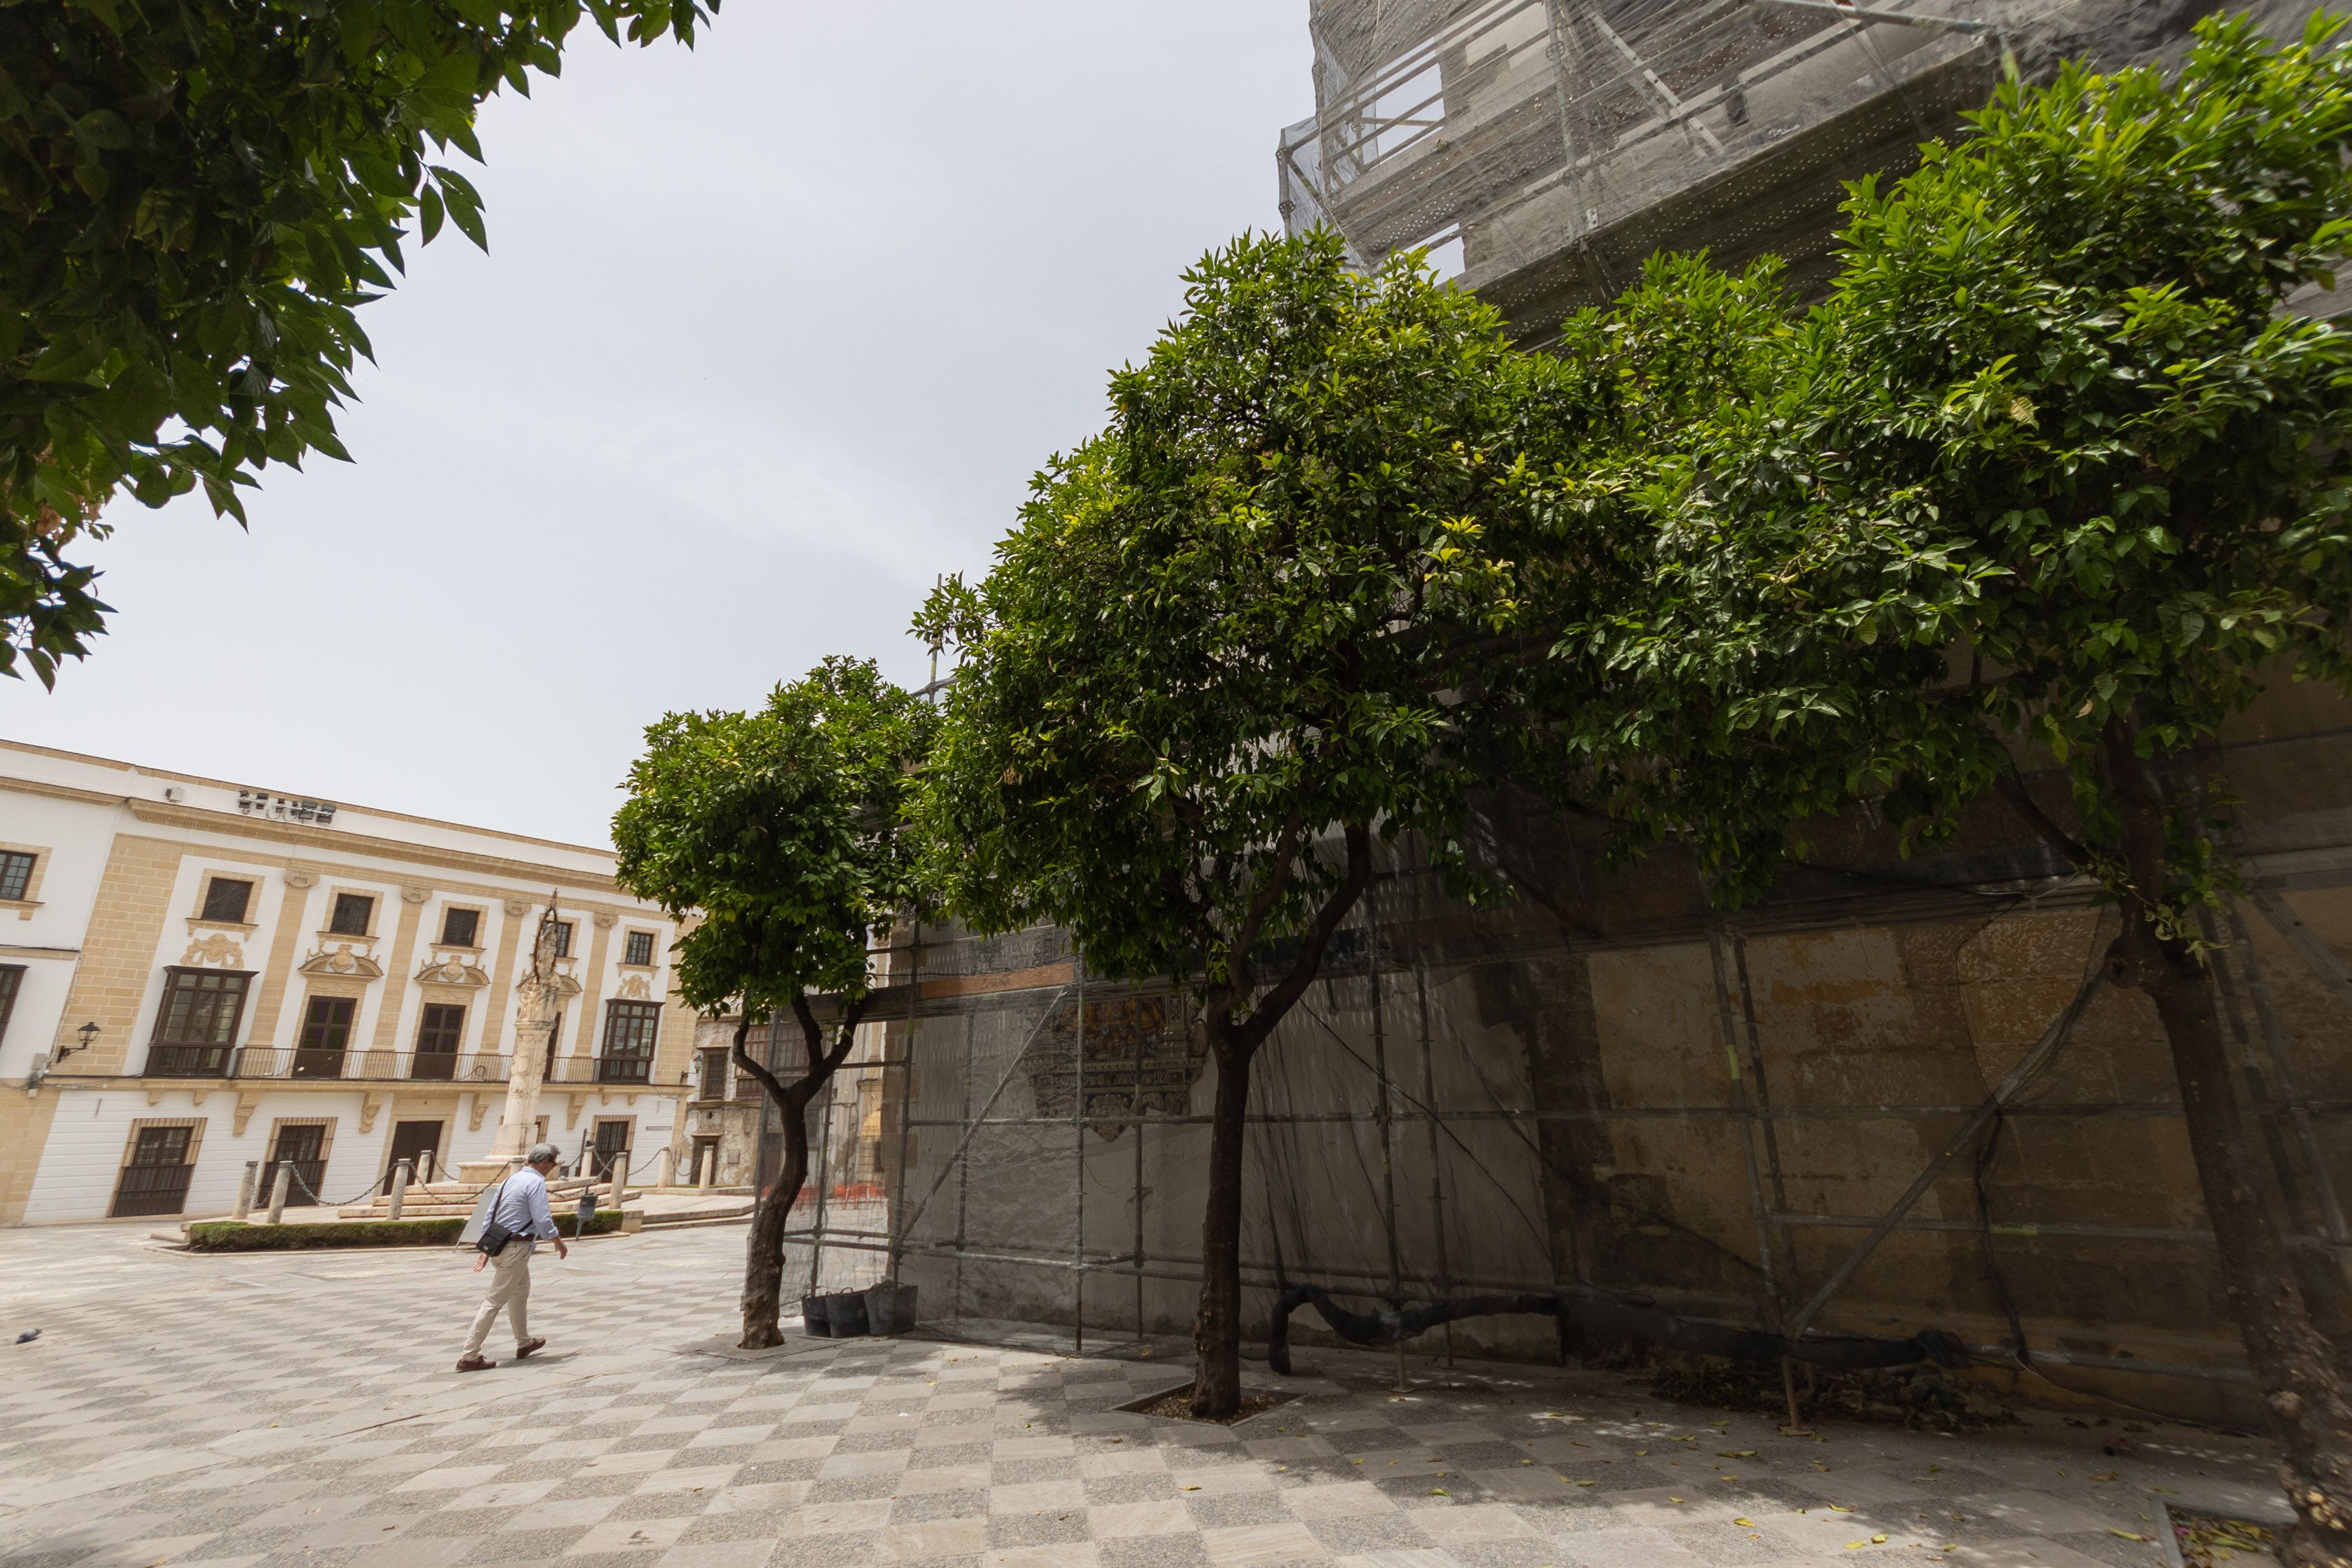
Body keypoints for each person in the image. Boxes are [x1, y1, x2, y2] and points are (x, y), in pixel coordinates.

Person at [455, 1143, 567, 1372]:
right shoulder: (535, 1182)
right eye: (553, 1164)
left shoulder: (511, 1179)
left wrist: (486, 1247)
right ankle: (469, 1355)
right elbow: (542, 1218)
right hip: (517, 1248)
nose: (552, 1168)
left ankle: (524, 1342)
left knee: (521, 1291)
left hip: (500, 1245)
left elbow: (491, 1213)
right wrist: (557, 1240)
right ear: (545, 1162)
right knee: (494, 1301)